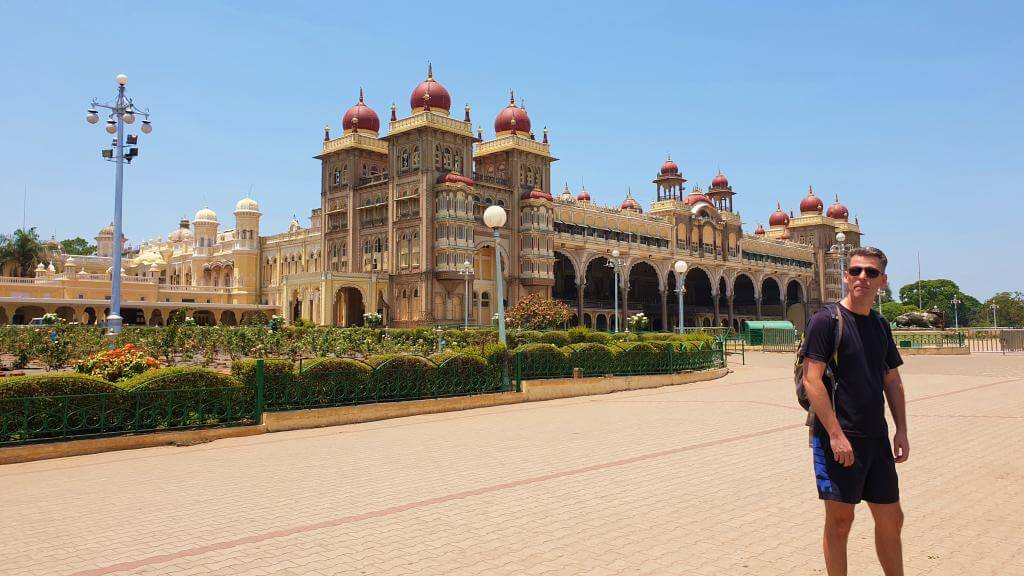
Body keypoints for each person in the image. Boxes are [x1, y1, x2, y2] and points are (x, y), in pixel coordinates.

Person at [802, 246, 908, 576]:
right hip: (837, 439)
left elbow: (892, 379)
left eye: (871, 272)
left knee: (892, 517)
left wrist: (901, 428)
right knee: (840, 521)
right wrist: (835, 434)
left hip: (875, 438)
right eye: (856, 271)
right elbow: (812, 380)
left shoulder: (879, 324)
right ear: (846, 276)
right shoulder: (825, 321)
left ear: (883, 281)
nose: (862, 277)